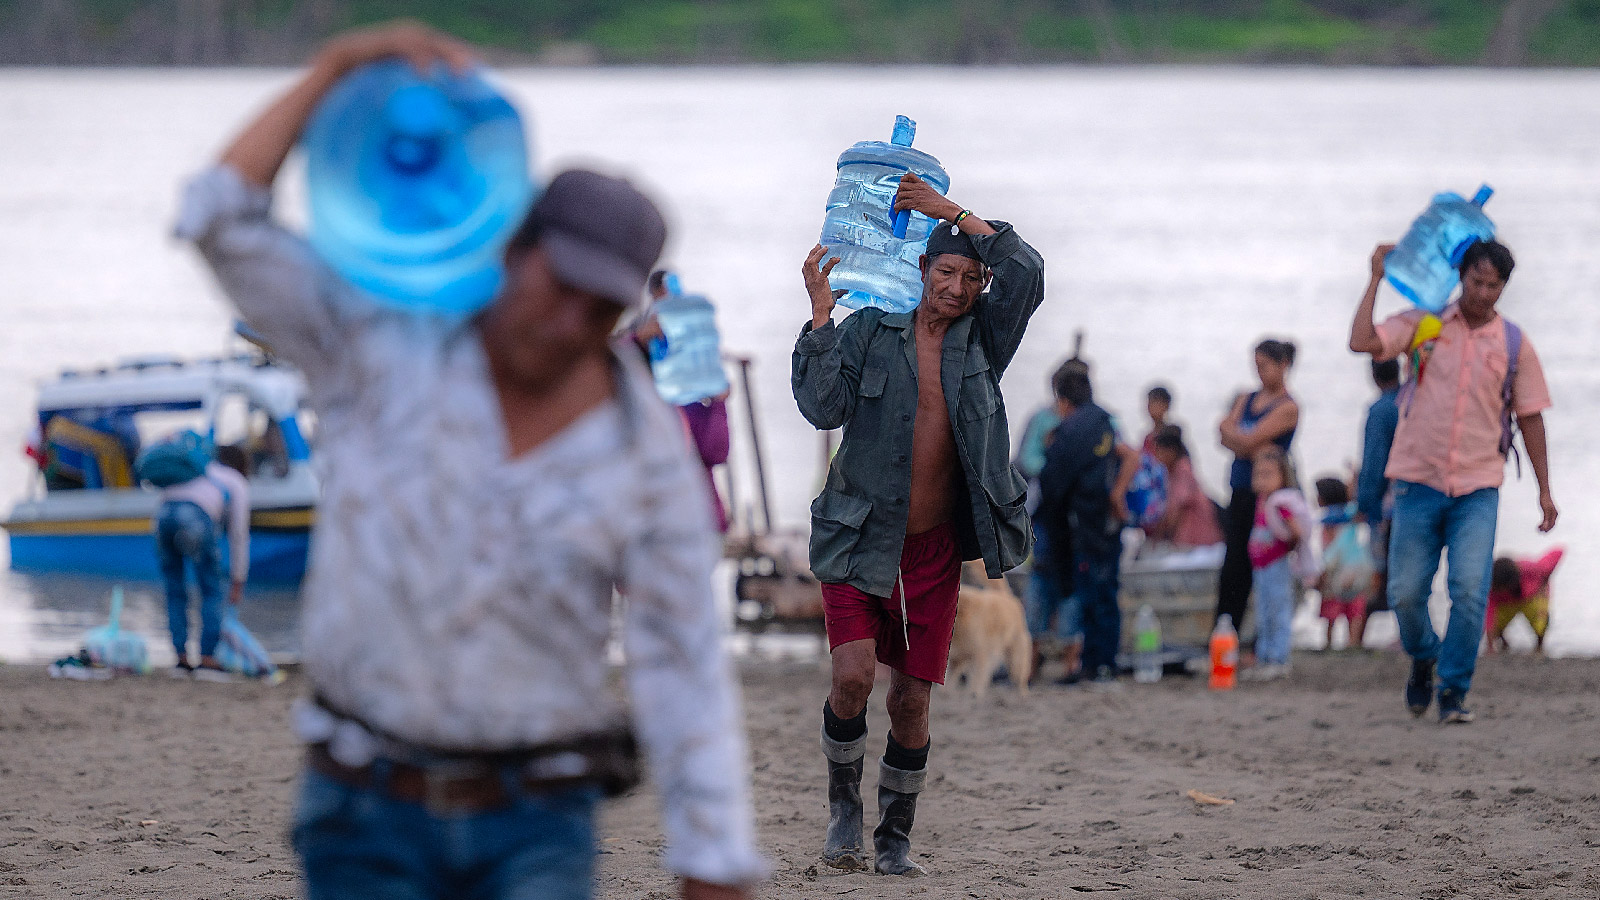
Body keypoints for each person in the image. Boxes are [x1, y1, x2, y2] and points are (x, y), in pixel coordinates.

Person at [176, 22, 761, 899]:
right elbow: (217, 219)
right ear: (512, 250)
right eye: (558, 286)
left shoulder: (644, 457)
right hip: (361, 807)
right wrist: (335, 73)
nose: (569, 323)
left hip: (540, 821)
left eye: (598, 305)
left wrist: (712, 862)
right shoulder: (375, 346)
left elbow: (682, 661)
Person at [793, 172, 1044, 876]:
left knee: (910, 700)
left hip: (932, 553)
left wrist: (946, 210)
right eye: (946, 271)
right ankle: (845, 811)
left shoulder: (986, 343)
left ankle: (894, 837)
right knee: (851, 678)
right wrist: (819, 318)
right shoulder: (873, 331)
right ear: (922, 271)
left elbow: (1028, 269)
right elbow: (822, 407)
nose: (957, 288)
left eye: (970, 276)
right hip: (857, 535)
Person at [1350, 239, 1557, 725]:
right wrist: (1376, 278)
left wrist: (1545, 490)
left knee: (1469, 590)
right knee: (1403, 594)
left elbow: (1531, 418)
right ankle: (1424, 655)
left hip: (1477, 487)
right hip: (1417, 483)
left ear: (1504, 286)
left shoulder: (1513, 343)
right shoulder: (1425, 325)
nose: (1484, 293)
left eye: (1494, 285)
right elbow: (1362, 342)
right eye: (1476, 281)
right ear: (1459, 276)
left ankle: (1453, 690)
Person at [1035, 365, 1140, 687]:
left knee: (1093, 595)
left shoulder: (1067, 432)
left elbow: (1053, 486)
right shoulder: (1104, 422)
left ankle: (1100, 666)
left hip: (1084, 525)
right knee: (1104, 593)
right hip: (1106, 525)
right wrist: (1118, 495)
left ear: (1062, 399)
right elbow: (1131, 455)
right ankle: (1099, 664)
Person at [1215, 339, 1299, 633]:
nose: (1260, 373)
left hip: (1267, 497)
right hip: (1239, 488)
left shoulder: (1287, 407)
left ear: (1282, 365)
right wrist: (1246, 443)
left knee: (1262, 564)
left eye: (1264, 366)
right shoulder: (1247, 397)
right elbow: (1224, 432)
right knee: (1233, 563)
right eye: (1257, 367)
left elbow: (1243, 439)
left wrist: (1241, 440)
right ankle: (1227, 629)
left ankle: (1260, 634)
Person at [155, 439, 251, 678]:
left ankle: (181, 659)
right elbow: (239, 535)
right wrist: (238, 579)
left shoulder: (195, 469)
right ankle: (207, 659)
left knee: (175, 591)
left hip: (163, 517)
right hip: (195, 519)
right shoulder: (235, 480)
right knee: (210, 590)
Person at [1242, 446, 1312, 681]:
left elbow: (1296, 532)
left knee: (1278, 610)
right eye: (1258, 475)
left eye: (1268, 475)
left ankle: (1279, 658)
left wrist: (1286, 548)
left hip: (1275, 565)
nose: (1261, 480)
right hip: (1260, 567)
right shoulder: (1262, 502)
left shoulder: (1279, 503)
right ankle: (1265, 656)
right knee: (1263, 612)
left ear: (1283, 477)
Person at [1357, 358, 1401, 618]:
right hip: (1418, 494)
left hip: (1387, 503)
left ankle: (1356, 636)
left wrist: (1365, 502)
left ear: (1373, 375)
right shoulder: (1410, 402)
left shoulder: (1380, 410)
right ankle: (1407, 632)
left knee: (1382, 570)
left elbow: (1374, 459)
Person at [1313, 477, 1371, 650]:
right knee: (1355, 609)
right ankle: (1352, 643)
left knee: (1331, 608)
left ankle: (1329, 643)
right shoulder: (1350, 515)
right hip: (1356, 567)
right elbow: (1358, 505)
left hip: (1335, 569)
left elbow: (1328, 550)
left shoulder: (1330, 521)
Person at [1148, 425, 1224, 548]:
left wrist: (1161, 535)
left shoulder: (1182, 469)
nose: (1157, 456)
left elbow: (1179, 506)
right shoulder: (1169, 472)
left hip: (1195, 528)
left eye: (1160, 451)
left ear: (1171, 451)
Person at [1486, 548, 1562, 654]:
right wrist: (1490, 646)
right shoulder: (1493, 587)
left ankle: (1539, 646)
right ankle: (1503, 642)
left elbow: (1557, 552)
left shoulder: (1529, 569)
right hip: (1507, 604)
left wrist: (1545, 580)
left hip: (1532, 597)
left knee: (1541, 620)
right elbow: (1489, 617)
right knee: (1496, 622)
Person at [1141, 385, 1172, 455]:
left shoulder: (1171, 435)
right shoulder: (1148, 437)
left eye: (1154, 402)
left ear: (1166, 405)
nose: (1149, 407)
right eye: (1149, 403)